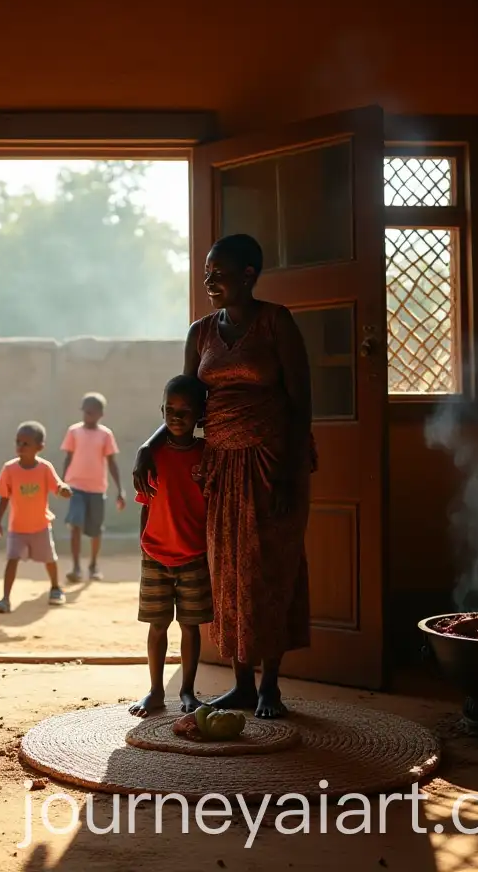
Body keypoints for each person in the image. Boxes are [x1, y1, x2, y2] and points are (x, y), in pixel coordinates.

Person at [132, 234, 316, 720]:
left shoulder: (277, 323)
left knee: (269, 571)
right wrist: (149, 444)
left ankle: (270, 686)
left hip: (272, 464)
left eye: (219, 271)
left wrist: (292, 477)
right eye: (207, 272)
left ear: (249, 274)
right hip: (219, 467)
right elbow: (188, 403)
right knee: (229, 574)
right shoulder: (201, 333)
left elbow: (301, 406)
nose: (209, 279)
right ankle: (240, 684)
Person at [129, 374, 213, 718]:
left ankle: (188, 692)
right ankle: (155, 690)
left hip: (194, 556)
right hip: (156, 556)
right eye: (170, 409)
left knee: (190, 626)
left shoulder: (206, 455)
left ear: (200, 416)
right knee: (157, 625)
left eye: (186, 411)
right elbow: (145, 504)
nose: (177, 417)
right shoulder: (153, 456)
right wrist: (144, 545)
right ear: (161, 411)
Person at [0, 421, 74, 613]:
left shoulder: (44, 468)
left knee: (49, 559)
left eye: (25, 443)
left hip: (40, 526)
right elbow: (4, 496)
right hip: (16, 528)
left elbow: (57, 486)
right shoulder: (9, 469)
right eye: (18, 442)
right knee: (12, 560)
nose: (20, 446)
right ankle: (5, 599)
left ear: (40, 447)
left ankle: (55, 588)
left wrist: (63, 490)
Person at [60, 392, 126, 583]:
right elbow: (68, 458)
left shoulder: (106, 435)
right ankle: (75, 567)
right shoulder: (74, 431)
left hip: (97, 489)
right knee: (75, 525)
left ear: (100, 414)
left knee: (96, 530)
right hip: (75, 487)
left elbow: (112, 462)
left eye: (92, 412)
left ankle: (93, 564)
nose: (88, 416)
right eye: (86, 412)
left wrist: (120, 489)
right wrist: (62, 483)